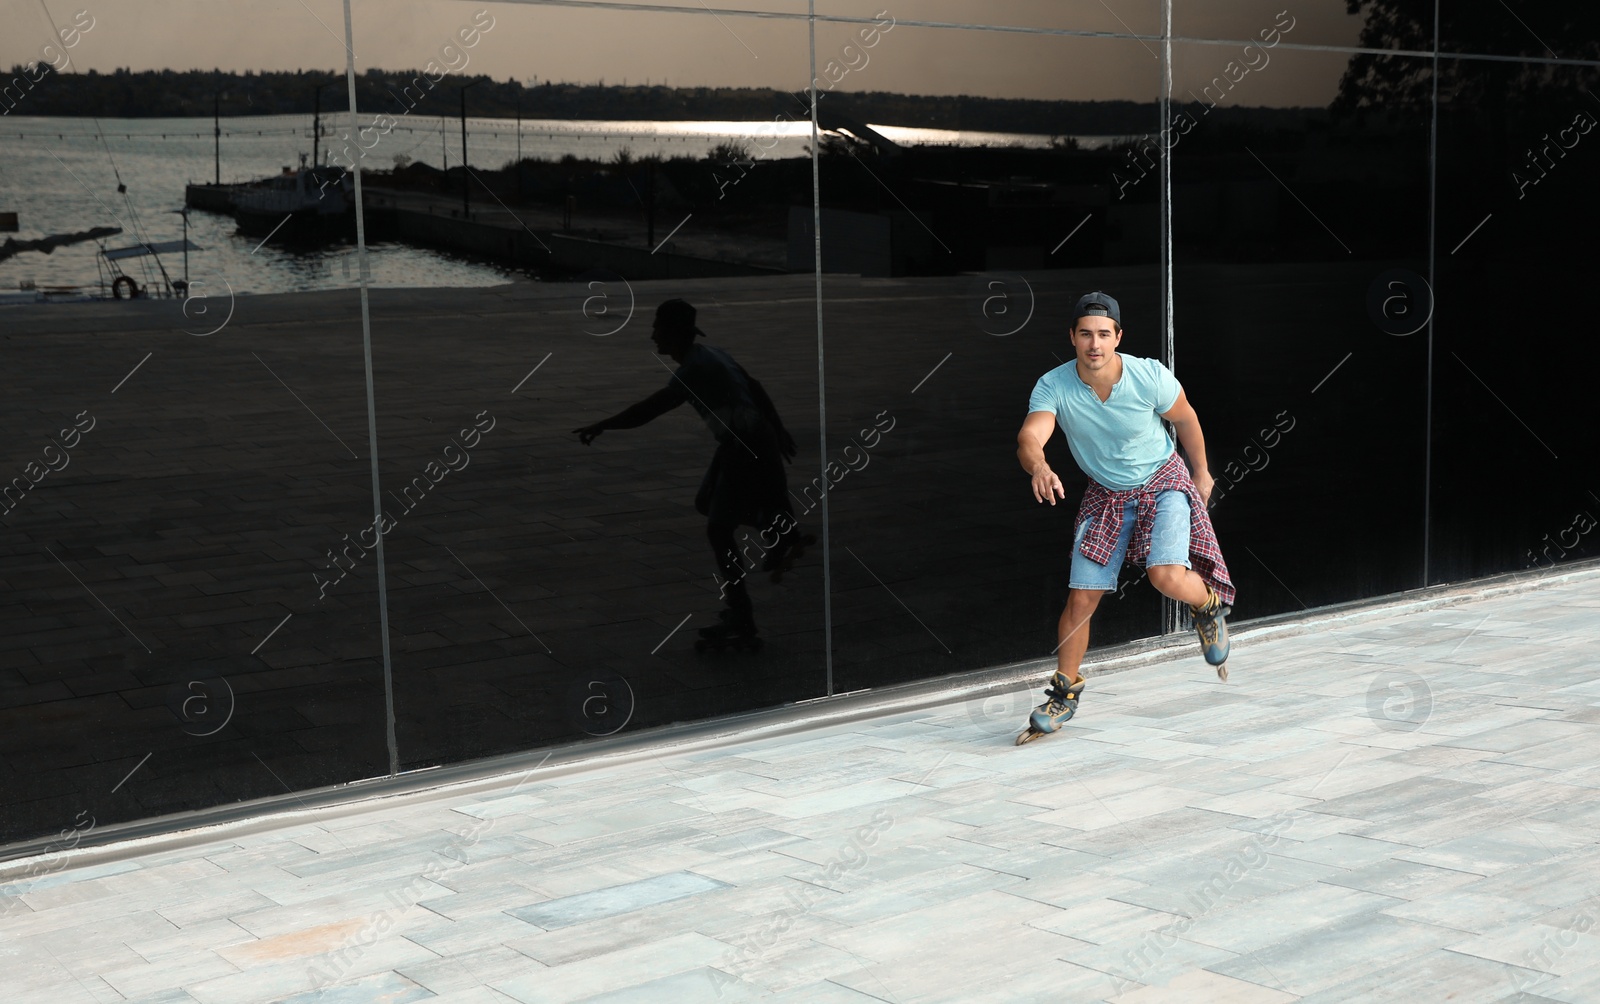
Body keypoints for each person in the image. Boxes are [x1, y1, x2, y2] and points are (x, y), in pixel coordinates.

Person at [1014, 291, 1234, 743]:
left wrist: (1203, 473)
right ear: (1072, 338)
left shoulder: (1148, 374)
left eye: (1103, 334)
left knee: (1165, 575)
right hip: (1107, 495)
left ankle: (1207, 605)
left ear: (1117, 337)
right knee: (1080, 599)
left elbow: (1187, 419)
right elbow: (1030, 435)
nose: (1094, 344)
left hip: (1163, 481)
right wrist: (1039, 464)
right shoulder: (1053, 385)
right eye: (1085, 335)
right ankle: (1064, 695)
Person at [573, 299, 810, 649]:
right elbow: (754, 385)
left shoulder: (693, 370)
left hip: (742, 444)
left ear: (672, 334)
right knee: (707, 503)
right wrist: (778, 429)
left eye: (658, 330)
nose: (653, 336)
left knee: (718, 530)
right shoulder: (713, 354)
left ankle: (742, 614)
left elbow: (651, 409)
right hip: (750, 439)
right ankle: (775, 528)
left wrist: (604, 425)